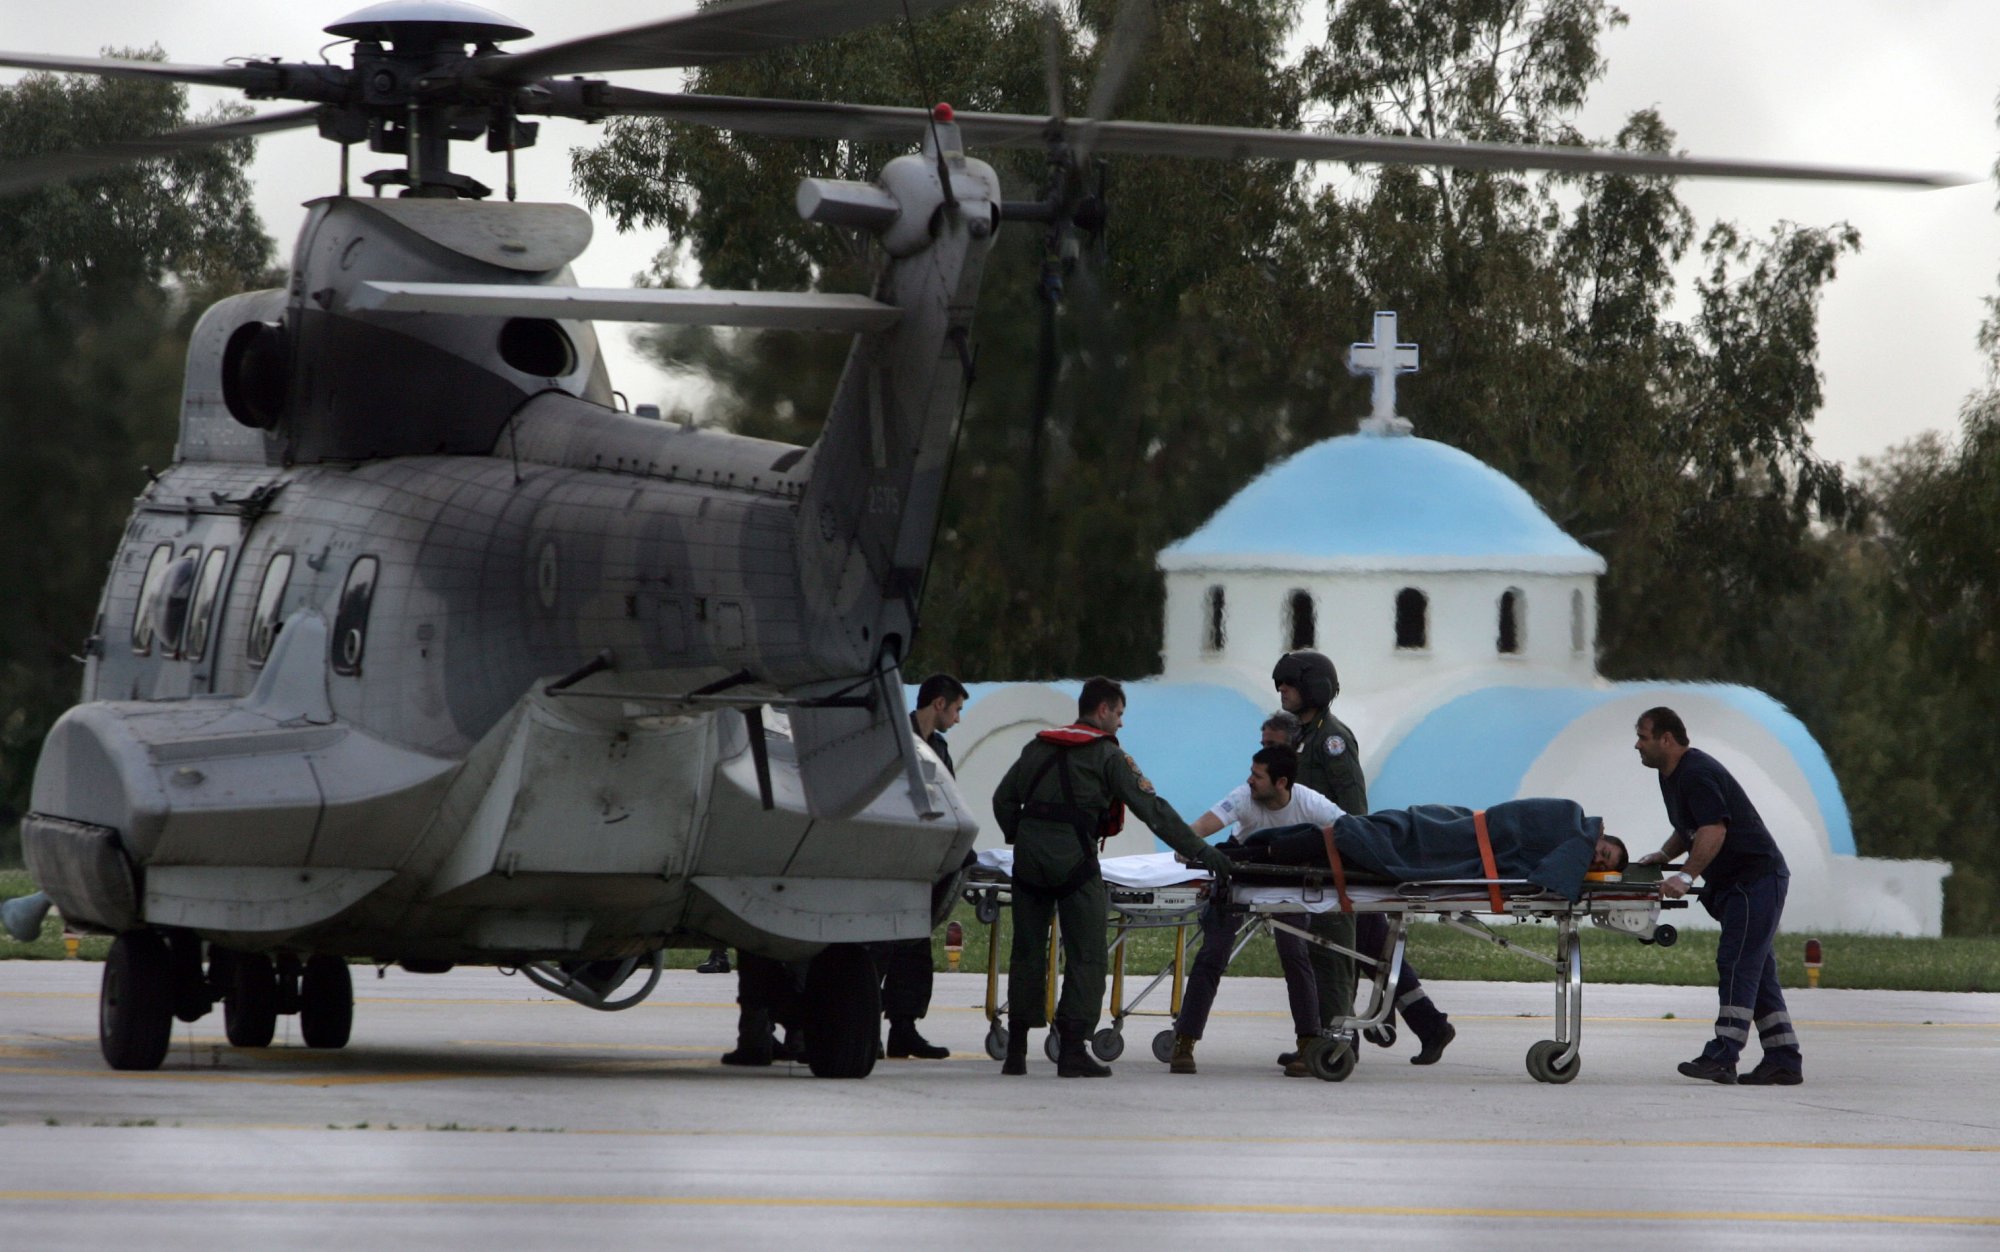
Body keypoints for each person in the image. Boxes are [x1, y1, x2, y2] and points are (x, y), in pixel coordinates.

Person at [992, 677, 1235, 1077]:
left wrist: (1022, 835)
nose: (1121, 724)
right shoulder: (1106, 756)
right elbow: (1152, 810)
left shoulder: (1036, 747)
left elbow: (1003, 799)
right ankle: (1071, 1050)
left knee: (1027, 952)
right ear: (1102, 709)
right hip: (1075, 863)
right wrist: (1203, 851)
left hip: (1028, 864)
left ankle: (1016, 1051)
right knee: (1086, 954)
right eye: (1119, 713)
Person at [1273, 650, 1462, 1068]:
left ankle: (1338, 1045)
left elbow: (1352, 810)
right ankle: (1428, 1025)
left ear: (1313, 690)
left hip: (1338, 865)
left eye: (1289, 684)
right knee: (1372, 949)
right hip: (1321, 866)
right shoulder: (1303, 738)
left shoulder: (1331, 741)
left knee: (1335, 953)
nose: (1282, 691)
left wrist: (1344, 862)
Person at [1633, 706, 1803, 1086]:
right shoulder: (1672, 776)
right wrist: (1664, 854)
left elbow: (1714, 829)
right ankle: (1784, 1059)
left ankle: (1723, 1055)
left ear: (1667, 738)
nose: (1637, 744)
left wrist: (1686, 876)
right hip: (1739, 886)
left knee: (1738, 963)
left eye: (1643, 736)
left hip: (1754, 880)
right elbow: (1690, 828)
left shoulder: (1696, 773)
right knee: (1757, 975)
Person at [1167, 744, 1325, 1077]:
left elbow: (1347, 830)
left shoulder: (1310, 802)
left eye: (1257, 775)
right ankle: (1184, 1041)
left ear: (1281, 782)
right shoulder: (1243, 798)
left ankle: (1309, 1043)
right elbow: (1201, 828)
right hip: (1242, 878)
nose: (1249, 780)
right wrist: (1188, 844)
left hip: (1285, 884)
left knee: (1295, 953)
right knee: (1213, 954)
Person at [1229, 796, 1630, 897]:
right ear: (1603, 834)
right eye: (1604, 850)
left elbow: (1548, 874)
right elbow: (1512, 824)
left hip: (1457, 853)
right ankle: (1246, 855)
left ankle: (1245, 858)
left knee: (1346, 845)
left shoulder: (1568, 852)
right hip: (1449, 832)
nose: (1595, 856)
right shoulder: (1572, 820)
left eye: (1600, 863)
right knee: (1364, 834)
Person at [870, 673, 969, 1061]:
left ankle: (903, 1029)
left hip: (923, 863)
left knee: (913, 948)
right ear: (939, 704)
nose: (959, 719)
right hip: (887, 861)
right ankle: (866, 1027)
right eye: (957, 709)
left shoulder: (938, 749)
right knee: (876, 947)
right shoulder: (893, 740)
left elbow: (950, 799)